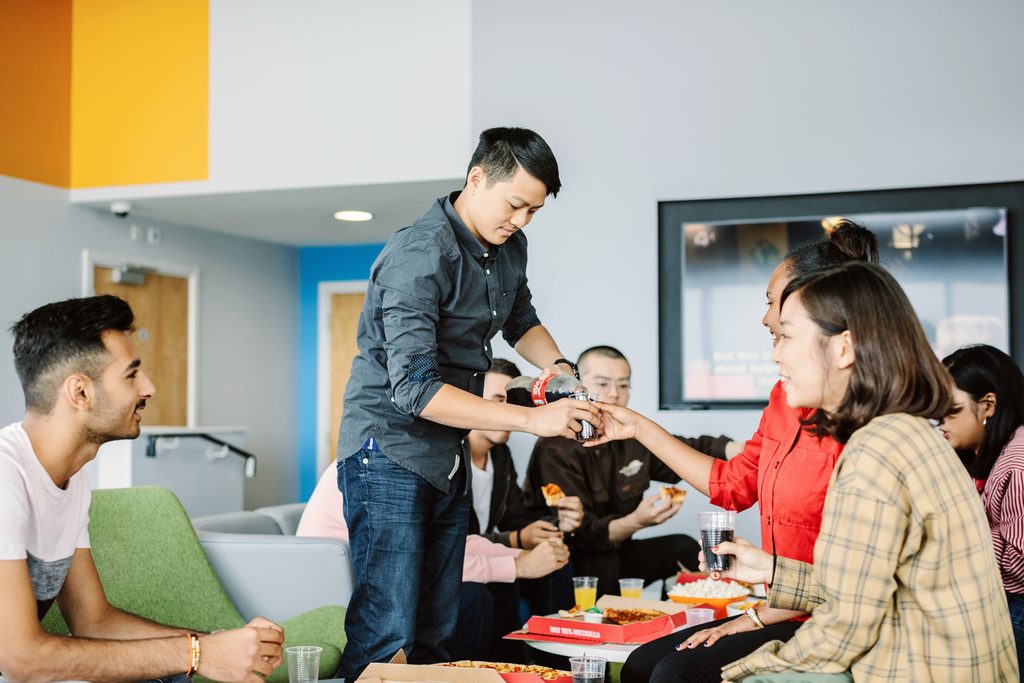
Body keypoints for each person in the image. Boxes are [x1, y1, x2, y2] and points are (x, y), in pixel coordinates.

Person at [334, 127, 601, 679]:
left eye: (533, 210)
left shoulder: (508, 246)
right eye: (515, 205)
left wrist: (562, 372)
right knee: (388, 632)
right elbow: (414, 389)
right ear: (477, 178)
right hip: (388, 451)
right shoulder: (418, 253)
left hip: (445, 453)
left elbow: (521, 322)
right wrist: (532, 418)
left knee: (439, 629)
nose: (522, 221)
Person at [695, 261, 1016, 680]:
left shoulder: (875, 452)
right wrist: (771, 568)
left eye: (787, 335)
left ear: (843, 348)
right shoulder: (905, 432)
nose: (776, 353)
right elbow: (869, 587)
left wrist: (742, 669)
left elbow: (844, 628)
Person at [611, 220, 878, 683]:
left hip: (832, 622)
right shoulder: (784, 397)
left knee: (674, 674)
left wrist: (759, 608)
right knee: (640, 665)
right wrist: (636, 426)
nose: (765, 320)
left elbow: (864, 588)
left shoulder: (874, 429)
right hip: (785, 606)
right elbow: (732, 485)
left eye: (772, 303)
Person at [0, 295, 284, 683]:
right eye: (131, 375)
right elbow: (21, 657)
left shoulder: (71, 478)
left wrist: (219, 646)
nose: (148, 387)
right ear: (79, 393)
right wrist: (196, 654)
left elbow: (94, 621)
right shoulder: (6, 474)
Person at [297, 464, 568, 661]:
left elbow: (451, 543)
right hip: (352, 589)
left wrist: (518, 556)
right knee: (474, 597)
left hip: (394, 577)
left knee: (499, 586)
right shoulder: (386, 467)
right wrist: (519, 567)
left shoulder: (430, 463)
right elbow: (424, 561)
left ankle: (507, 674)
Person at [524, 345, 733, 596]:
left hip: (619, 552)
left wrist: (744, 449)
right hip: (569, 559)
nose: (614, 394)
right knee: (603, 562)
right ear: (576, 385)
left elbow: (683, 449)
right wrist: (636, 521)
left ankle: (687, 631)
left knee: (684, 548)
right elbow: (584, 536)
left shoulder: (628, 434)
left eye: (623, 385)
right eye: (603, 384)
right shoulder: (556, 444)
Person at [940, 344, 1024, 671]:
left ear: (988, 405)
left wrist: (959, 523)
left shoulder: (1017, 465)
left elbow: (1019, 567)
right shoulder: (992, 452)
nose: (941, 421)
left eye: (952, 410)